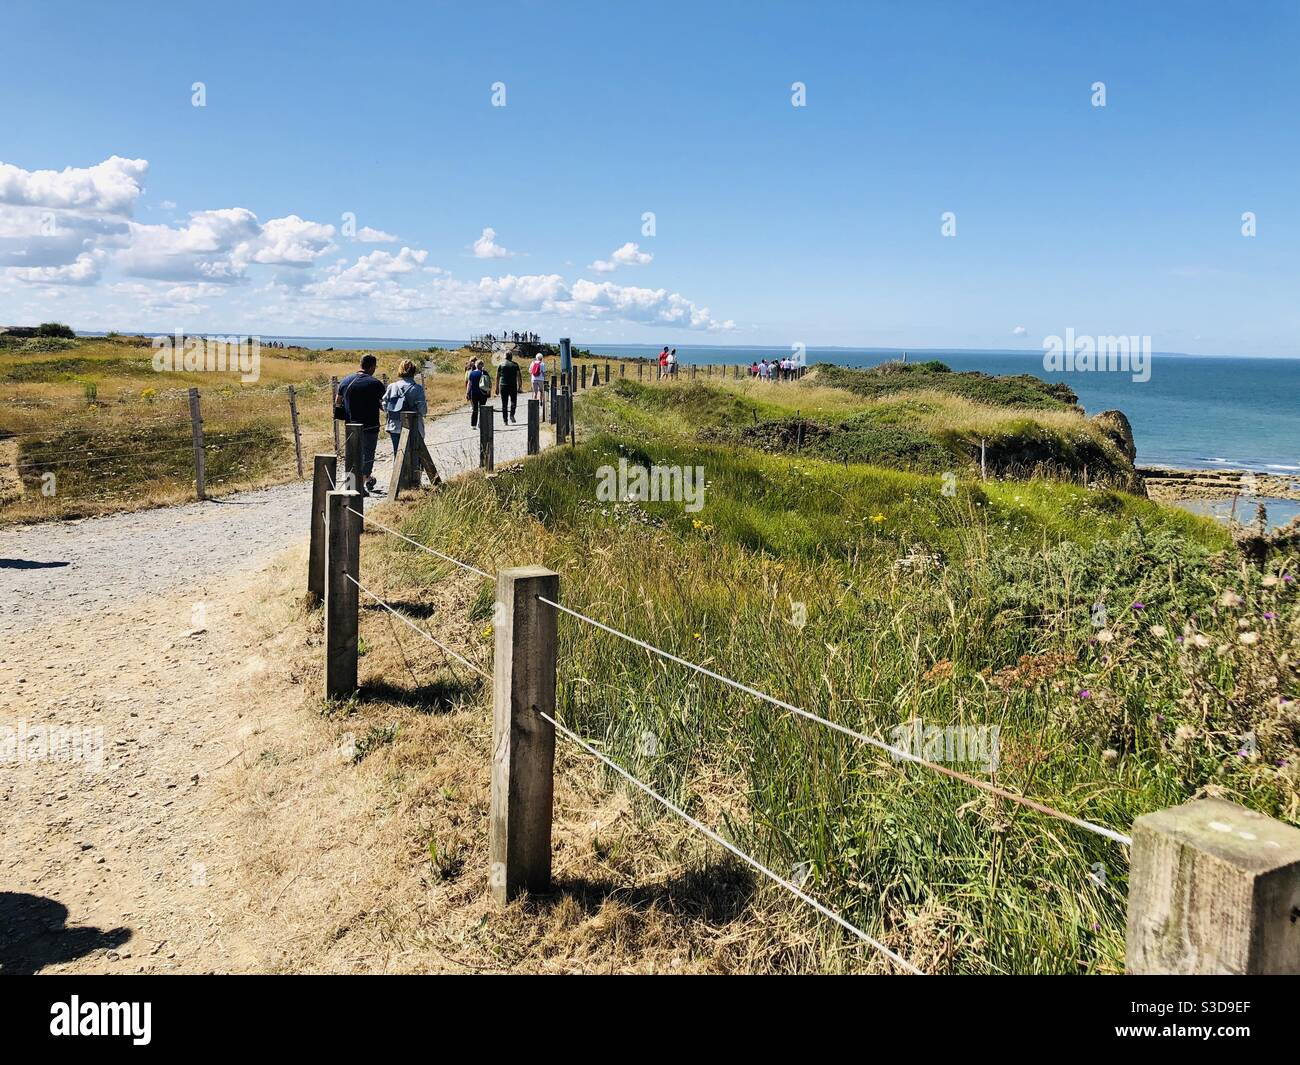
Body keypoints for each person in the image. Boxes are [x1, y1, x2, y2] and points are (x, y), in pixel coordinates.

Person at [337, 354, 385, 495]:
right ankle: (363, 480)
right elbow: (384, 404)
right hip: (370, 425)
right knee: (367, 454)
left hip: (350, 425)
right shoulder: (375, 383)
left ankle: (351, 485)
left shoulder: (345, 381)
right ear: (372, 366)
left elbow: (337, 401)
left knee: (351, 455)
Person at [382, 358, 428, 456]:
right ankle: (415, 472)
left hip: (395, 426)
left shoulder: (392, 386)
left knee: (398, 455)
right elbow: (423, 410)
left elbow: (385, 405)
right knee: (415, 456)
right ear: (414, 371)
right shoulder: (417, 388)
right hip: (414, 426)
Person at [497, 350, 522, 424]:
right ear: (511, 357)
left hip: (503, 385)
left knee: (504, 403)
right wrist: (520, 385)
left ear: (505, 356)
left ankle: (505, 420)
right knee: (513, 401)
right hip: (513, 385)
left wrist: (497, 387)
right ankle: (512, 414)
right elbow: (519, 376)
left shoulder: (501, 365)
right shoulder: (515, 365)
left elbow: (497, 377)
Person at [468, 358, 491, 426]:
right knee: (482, 409)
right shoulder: (485, 373)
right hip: (483, 393)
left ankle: (473, 424)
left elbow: (469, 384)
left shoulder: (472, 373)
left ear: (476, 365)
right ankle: (481, 423)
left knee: (475, 409)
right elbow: (489, 383)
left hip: (474, 393)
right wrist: (488, 392)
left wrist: (467, 392)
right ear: (482, 365)